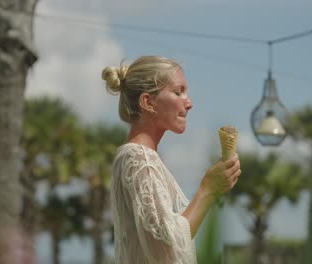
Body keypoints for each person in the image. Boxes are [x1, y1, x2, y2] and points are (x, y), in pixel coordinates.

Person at [102, 55, 241, 264]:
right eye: (178, 92)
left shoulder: (140, 158)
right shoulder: (139, 158)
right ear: (148, 102)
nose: (190, 103)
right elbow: (164, 251)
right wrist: (207, 191)